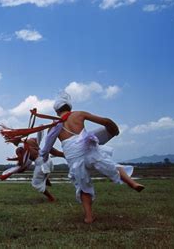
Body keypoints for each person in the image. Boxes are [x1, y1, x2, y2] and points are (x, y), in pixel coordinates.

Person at [40, 92, 144, 223]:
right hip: (90, 151)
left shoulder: (53, 126)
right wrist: (114, 130)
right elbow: (105, 121)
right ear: (69, 107)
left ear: (56, 111)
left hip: (74, 160)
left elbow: (47, 148)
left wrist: (49, 157)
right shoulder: (78, 114)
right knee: (113, 166)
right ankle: (133, 183)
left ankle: (89, 217)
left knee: (84, 186)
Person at [1, 135, 63, 202]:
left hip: (41, 164)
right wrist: (15, 159)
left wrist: (17, 168)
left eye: (10, 140)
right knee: (41, 174)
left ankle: (51, 198)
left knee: (35, 184)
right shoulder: (31, 140)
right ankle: (45, 180)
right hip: (48, 160)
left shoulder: (19, 149)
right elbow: (32, 151)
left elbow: (22, 161)